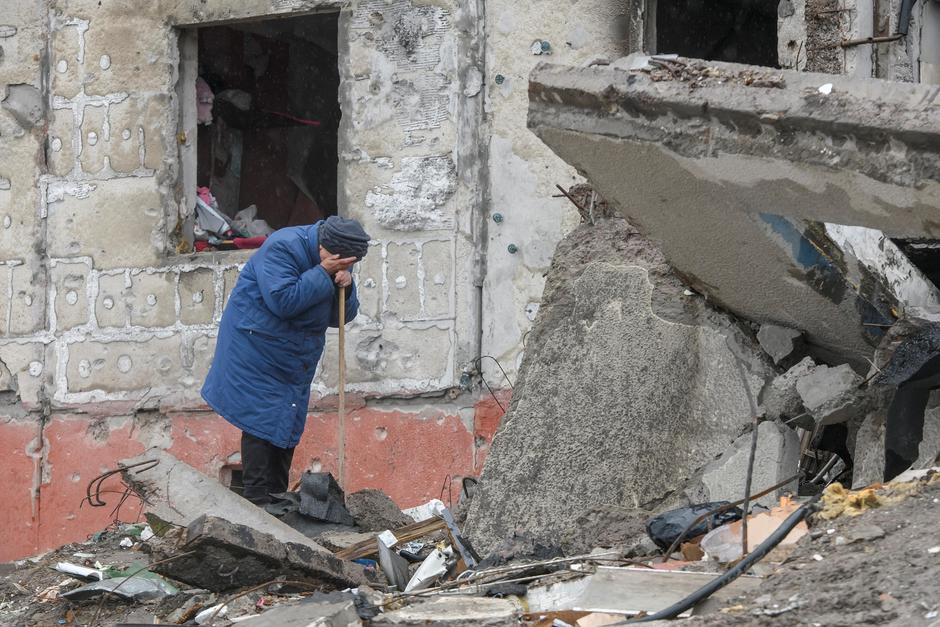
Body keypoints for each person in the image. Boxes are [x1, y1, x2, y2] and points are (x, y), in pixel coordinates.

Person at [202, 215, 370, 506]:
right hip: (255, 347)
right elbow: (284, 300)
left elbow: (340, 316)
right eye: (340, 262)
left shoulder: (337, 257)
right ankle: (256, 500)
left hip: (293, 353)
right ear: (323, 247)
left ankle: (277, 500)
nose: (343, 265)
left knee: (287, 421)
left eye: (349, 264)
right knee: (260, 419)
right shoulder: (283, 247)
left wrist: (346, 286)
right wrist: (322, 273)